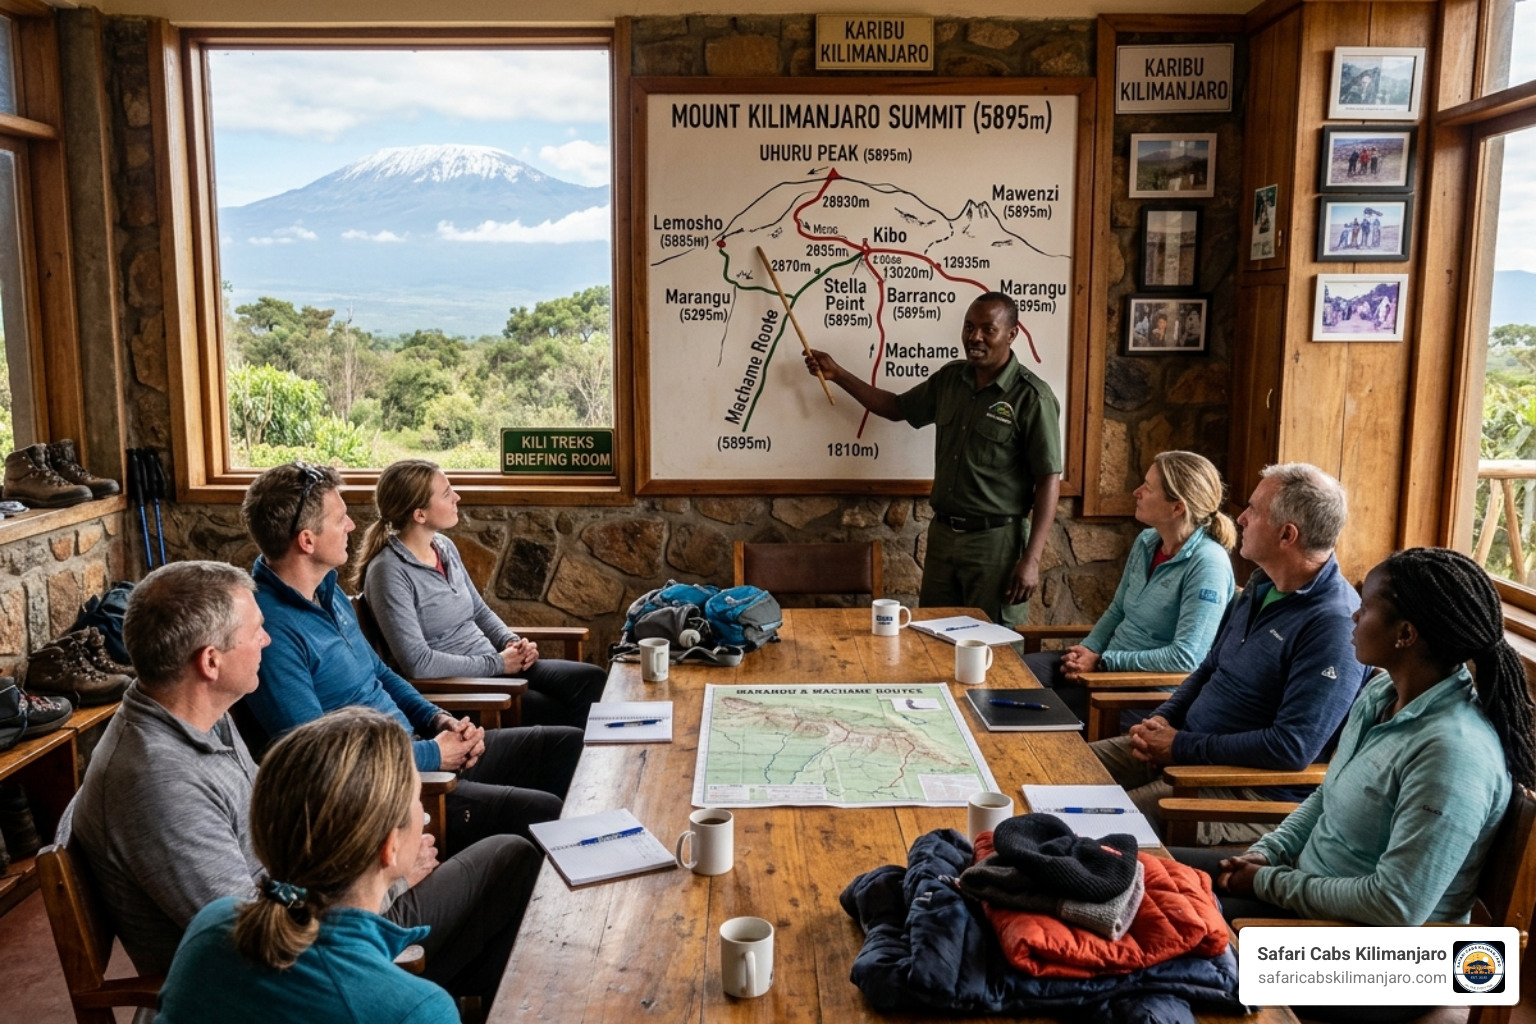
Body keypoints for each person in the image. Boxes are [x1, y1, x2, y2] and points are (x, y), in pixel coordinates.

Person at [71, 561, 538, 1007]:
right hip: (291, 979)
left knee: (501, 869)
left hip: (315, 914)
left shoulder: (199, 715)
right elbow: (253, 939)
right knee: (511, 860)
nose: (267, 639)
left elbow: (282, 845)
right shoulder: (159, 783)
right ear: (210, 662)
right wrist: (385, 882)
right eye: (255, 632)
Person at [1175, 548, 1535, 1024]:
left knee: (1173, 955)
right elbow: (1327, 794)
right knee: (1154, 880)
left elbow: (1397, 905)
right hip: (1317, 898)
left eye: (1366, 606)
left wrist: (1268, 882)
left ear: (1405, 634)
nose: (1354, 612)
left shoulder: (1453, 751)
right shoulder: (1383, 693)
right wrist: (1269, 852)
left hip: (1395, 962)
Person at [240, 462, 583, 851]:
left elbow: (381, 674)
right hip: (392, 793)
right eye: (340, 519)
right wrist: (433, 754)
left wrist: (438, 719)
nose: (352, 525)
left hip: (420, 745)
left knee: (566, 748)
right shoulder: (270, 633)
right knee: (545, 812)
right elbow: (319, 761)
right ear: (306, 541)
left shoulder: (327, 592)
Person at [1090, 463, 1371, 844]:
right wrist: (1159, 721)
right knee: (1056, 770)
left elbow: (1292, 748)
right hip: (1185, 749)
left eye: (1253, 510)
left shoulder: (1333, 625)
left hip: (1240, 791)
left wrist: (1179, 746)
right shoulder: (1261, 584)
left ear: (1287, 535)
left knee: (1090, 829)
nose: (1239, 518)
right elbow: (1208, 668)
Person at [157, 709, 459, 1024]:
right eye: (415, 796)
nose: (421, 805)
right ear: (390, 846)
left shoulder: (210, 926)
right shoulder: (418, 1010)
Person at [803, 292, 1061, 626]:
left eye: (987, 329)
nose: (974, 337)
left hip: (996, 543)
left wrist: (1032, 559)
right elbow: (896, 407)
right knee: (934, 637)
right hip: (943, 537)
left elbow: (1048, 479)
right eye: (969, 327)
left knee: (994, 650)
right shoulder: (951, 379)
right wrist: (838, 374)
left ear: (1012, 334)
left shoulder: (1032, 396)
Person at [354, 459, 603, 729]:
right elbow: (418, 663)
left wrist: (511, 643)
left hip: (494, 667)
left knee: (591, 679)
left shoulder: (444, 547)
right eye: (447, 494)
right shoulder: (388, 572)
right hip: (463, 689)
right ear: (420, 514)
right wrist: (497, 663)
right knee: (561, 711)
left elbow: (478, 610)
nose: (457, 497)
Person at [1022, 451, 1236, 721]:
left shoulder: (1208, 564)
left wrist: (1104, 661)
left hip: (1142, 692)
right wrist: (1087, 651)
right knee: (1009, 675)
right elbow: (1118, 609)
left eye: (1147, 487)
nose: (1136, 492)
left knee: (1027, 712)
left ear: (1177, 507)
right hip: (1105, 668)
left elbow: (1185, 658)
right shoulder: (1147, 541)